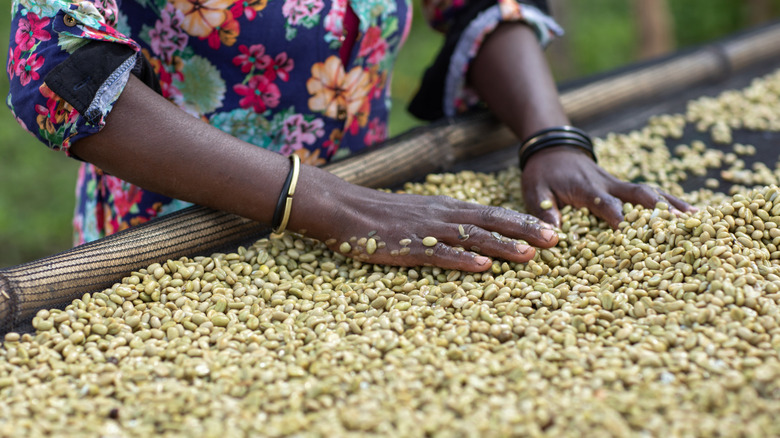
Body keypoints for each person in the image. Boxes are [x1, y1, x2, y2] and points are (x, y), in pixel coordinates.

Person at [6, 0, 691, 272]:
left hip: (370, 223)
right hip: (170, 240)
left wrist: (551, 138)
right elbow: (53, 67)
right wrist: (331, 205)